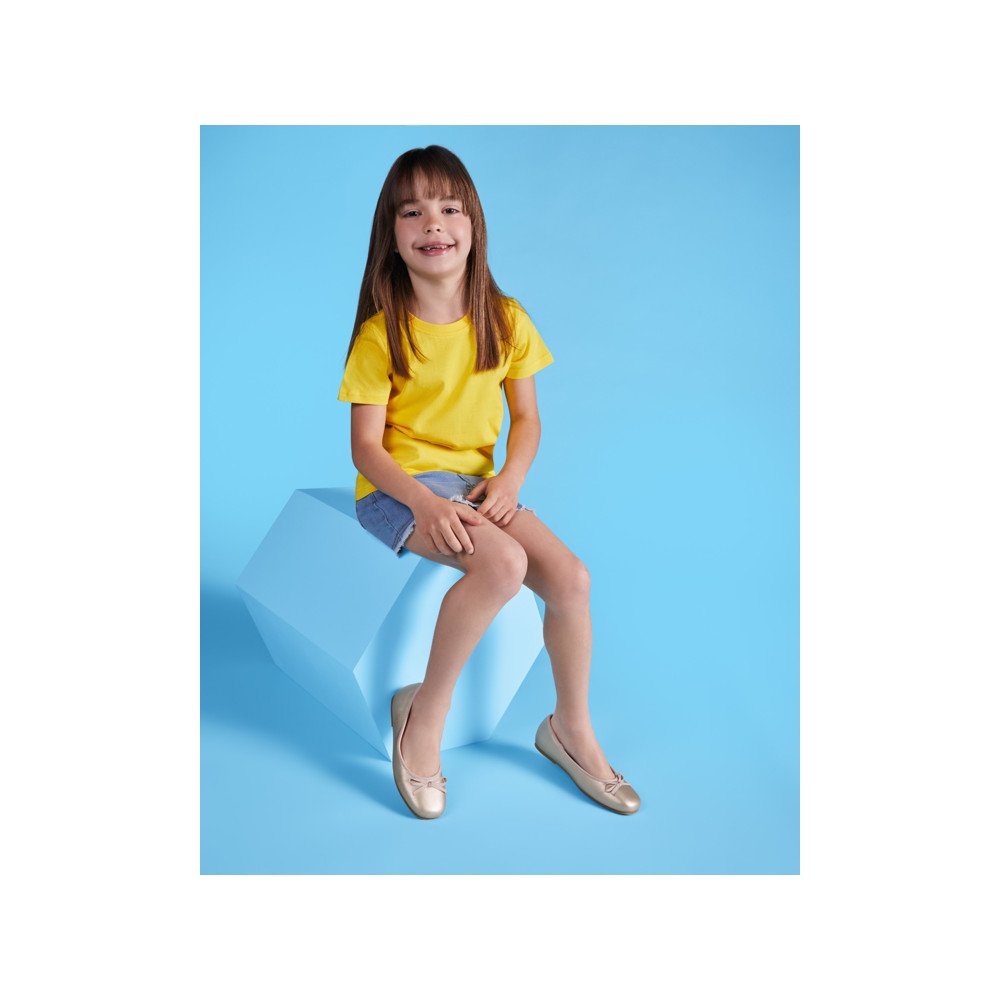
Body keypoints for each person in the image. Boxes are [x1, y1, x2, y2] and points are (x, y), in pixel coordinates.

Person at [337, 145, 640, 820]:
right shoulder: (381, 333)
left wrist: (510, 478)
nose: (433, 223)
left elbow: (527, 418)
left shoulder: (506, 318)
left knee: (572, 579)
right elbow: (364, 449)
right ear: (391, 234)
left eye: (450, 208)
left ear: (474, 225)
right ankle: (423, 716)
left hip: (472, 485)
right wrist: (422, 501)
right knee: (503, 565)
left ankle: (569, 729)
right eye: (412, 212)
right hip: (395, 492)